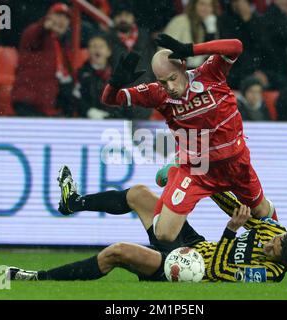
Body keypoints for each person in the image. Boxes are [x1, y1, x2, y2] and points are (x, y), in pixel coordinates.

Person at [100, 34, 277, 244]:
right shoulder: (157, 94)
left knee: (261, 210)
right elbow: (109, 100)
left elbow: (236, 46)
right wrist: (114, 83)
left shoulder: (210, 73)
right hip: (197, 170)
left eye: (173, 78)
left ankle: (281, 251)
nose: (170, 87)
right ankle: (176, 173)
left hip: (235, 162)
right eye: (163, 82)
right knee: (164, 234)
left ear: (183, 65)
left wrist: (191, 48)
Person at [7, 170, 287, 283]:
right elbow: (238, 210)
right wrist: (196, 185)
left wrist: (231, 232)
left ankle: (39, 278)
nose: (267, 246)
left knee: (117, 252)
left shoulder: (268, 274)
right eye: (275, 241)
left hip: (190, 267)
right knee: (140, 194)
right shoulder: (273, 230)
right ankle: (72, 203)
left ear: (283, 263)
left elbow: (219, 271)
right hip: (196, 244)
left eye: (273, 251)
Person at [11, 3, 74, 117]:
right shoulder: (36, 33)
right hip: (29, 102)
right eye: (58, 15)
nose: (62, 20)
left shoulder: (61, 46)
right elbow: (33, 35)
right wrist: (43, 26)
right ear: (48, 17)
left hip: (47, 106)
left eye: (66, 18)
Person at [106, 1, 155, 119]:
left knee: (141, 135)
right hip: (117, 100)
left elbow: (153, 66)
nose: (123, 19)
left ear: (133, 17)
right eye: (119, 16)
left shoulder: (147, 38)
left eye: (127, 15)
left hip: (143, 98)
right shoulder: (107, 38)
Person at [219, 0, 267, 89]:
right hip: (233, 70)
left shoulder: (255, 19)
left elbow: (261, 45)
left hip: (254, 67)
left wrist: (248, 20)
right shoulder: (224, 19)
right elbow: (233, 46)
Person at [164, 0, 220, 68]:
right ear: (194, 5)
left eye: (210, 5)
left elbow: (210, 55)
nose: (206, 8)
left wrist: (211, 31)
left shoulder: (208, 24)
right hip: (177, 70)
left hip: (194, 72)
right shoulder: (180, 21)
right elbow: (165, 50)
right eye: (202, 4)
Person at [76, 35, 120, 119]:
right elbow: (75, 98)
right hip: (87, 122)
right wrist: (88, 111)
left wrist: (112, 115)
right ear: (88, 51)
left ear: (108, 52)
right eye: (93, 46)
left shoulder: (118, 75)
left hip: (114, 123)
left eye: (101, 46)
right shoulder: (80, 74)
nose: (97, 50)